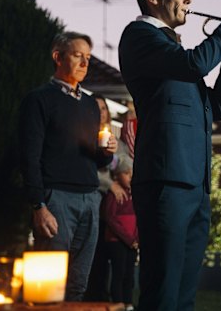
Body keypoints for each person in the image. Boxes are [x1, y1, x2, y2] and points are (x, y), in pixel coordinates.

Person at [118, 0, 221, 311]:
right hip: (165, 182)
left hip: (194, 183)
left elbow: (217, 107)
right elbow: (196, 64)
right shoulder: (140, 37)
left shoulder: (176, 53)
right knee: (162, 291)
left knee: (183, 295)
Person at [19, 31, 118, 301]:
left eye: (87, 57)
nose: (85, 63)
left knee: (78, 284)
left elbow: (98, 161)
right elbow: (29, 156)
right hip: (56, 200)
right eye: (78, 56)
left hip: (90, 198)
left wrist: (107, 153)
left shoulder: (90, 105)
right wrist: (39, 206)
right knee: (47, 285)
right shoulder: (39, 100)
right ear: (57, 57)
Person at [85, 94, 128, 301]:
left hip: (112, 210)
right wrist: (111, 184)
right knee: (95, 256)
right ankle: (94, 297)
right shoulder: (85, 137)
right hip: (95, 201)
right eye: (96, 108)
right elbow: (87, 170)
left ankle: (115, 299)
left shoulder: (116, 142)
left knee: (115, 257)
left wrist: (122, 176)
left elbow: (126, 165)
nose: (100, 112)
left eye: (103, 109)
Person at [103, 154, 138, 311]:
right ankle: (117, 303)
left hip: (132, 242)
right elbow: (110, 218)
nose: (130, 177)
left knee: (130, 274)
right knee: (119, 273)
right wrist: (129, 239)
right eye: (126, 173)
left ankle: (129, 303)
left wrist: (136, 238)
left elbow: (139, 219)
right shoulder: (114, 194)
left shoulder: (135, 195)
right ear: (117, 176)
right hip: (117, 242)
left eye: (132, 173)